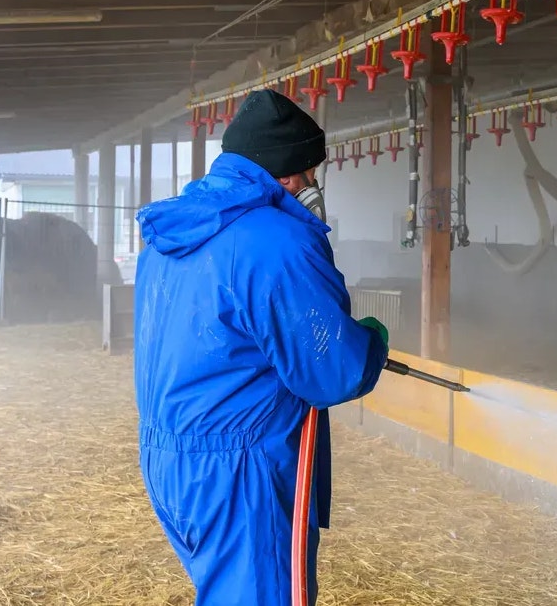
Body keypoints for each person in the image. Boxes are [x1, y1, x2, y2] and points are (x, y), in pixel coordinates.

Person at [133, 89, 390, 605]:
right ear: (288, 175)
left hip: (169, 455)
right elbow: (333, 371)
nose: (315, 185)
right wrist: (371, 341)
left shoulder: (173, 233)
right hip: (240, 470)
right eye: (311, 172)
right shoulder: (276, 241)